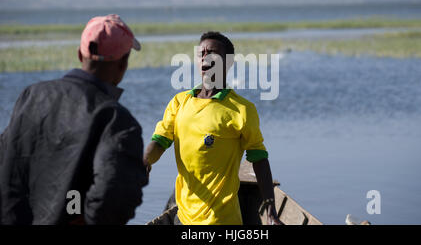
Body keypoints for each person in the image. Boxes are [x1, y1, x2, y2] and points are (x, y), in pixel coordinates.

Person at [0, 14, 147, 225]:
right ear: (123, 63)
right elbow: (115, 196)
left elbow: (7, 166)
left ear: (80, 55)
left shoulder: (31, 96)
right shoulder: (116, 120)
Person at [144, 31, 283, 225]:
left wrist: (271, 212)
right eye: (201, 53)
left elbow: (259, 160)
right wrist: (145, 160)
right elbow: (159, 142)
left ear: (228, 62)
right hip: (183, 217)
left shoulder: (241, 110)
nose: (205, 58)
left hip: (221, 220)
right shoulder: (179, 102)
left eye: (213, 54)